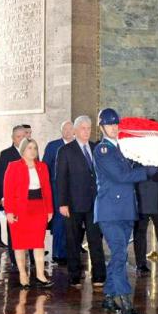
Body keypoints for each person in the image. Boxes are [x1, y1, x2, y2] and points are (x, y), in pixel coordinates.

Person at [93, 108, 157, 314]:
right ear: (102, 127)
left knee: (118, 254)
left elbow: (132, 168)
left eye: (116, 124)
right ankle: (126, 303)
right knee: (120, 254)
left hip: (125, 209)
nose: (114, 128)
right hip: (110, 211)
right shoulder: (103, 150)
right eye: (109, 124)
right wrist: (146, 172)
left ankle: (109, 297)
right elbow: (121, 176)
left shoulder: (122, 148)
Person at [56, 116, 106, 288]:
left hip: (94, 203)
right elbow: (60, 179)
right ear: (75, 131)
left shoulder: (96, 148)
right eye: (83, 128)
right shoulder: (65, 150)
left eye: (89, 128)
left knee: (95, 240)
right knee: (73, 241)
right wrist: (62, 203)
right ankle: (74, 276)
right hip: (72, 203)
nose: (87, 131)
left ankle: (99, 276)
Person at [4, 138, 54, 289]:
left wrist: (49, 209)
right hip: (20, 210)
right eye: (29, 148)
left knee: (38, 242)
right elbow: (7, 190)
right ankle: (23, 274)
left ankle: (40, 274)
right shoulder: (13, 166)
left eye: (35, 148)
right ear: (23, 150)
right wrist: (9, 211)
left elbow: (47, 189)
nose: (32, 151)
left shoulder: (42, 166)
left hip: (39, 208)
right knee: (20, 243)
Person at [43, 120, 74, 266]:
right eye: (65, 129)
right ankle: (58, 253)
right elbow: (45, 167)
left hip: (74, 191)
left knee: (73, 223)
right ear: (61, 131)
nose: (67, 132)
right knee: (59, 223)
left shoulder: (78, 146)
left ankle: (71, 252)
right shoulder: (52, 146)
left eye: (70, 129)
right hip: (57, 190)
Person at [0, 125, 27, 265]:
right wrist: (3, 197)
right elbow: (1, 178)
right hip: (13, 200)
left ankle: (32, 258)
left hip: (30, 199)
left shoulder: (32, 151)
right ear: (13, 138)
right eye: (18, 137)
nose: (22, 139)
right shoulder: (6, 154)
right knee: (14, 230)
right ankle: (15, 260)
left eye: (24, 136)